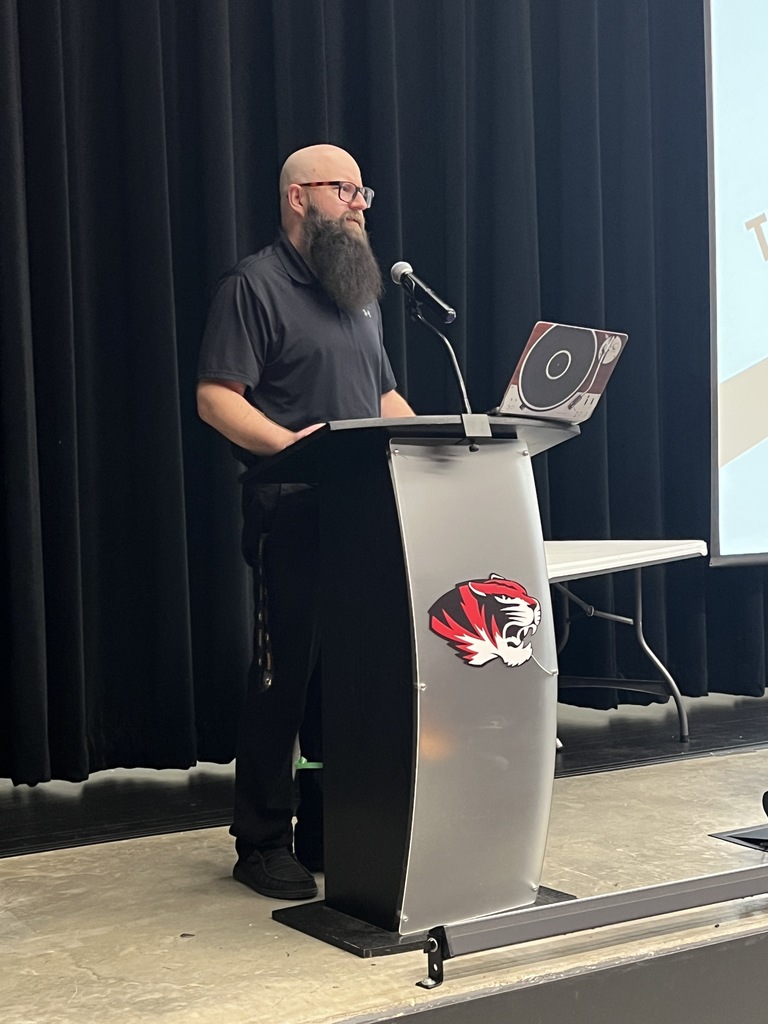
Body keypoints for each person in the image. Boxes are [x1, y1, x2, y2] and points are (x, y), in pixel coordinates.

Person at [196, 144, 414, 901]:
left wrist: (436, 444)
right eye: (345, 190)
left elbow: (383, 398)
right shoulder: (254, 285)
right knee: (283, 682)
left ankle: (328, 826)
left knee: (349, 681)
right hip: (290, 512)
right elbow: (217, 397)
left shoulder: (358, 292)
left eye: (363, 193)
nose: (359, 205)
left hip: (363, 515)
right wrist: (294, 445)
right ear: (299, 198)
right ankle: (261, 840)